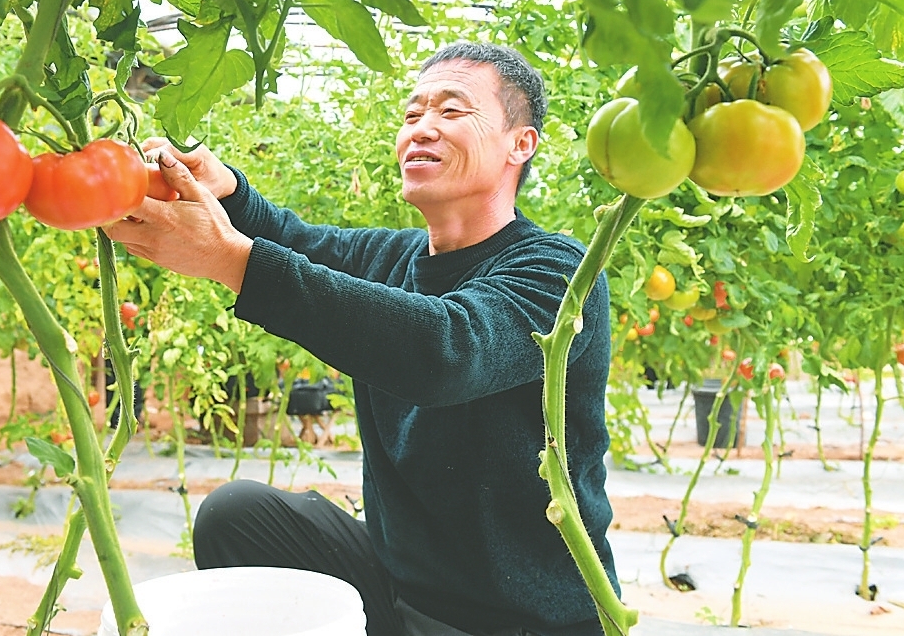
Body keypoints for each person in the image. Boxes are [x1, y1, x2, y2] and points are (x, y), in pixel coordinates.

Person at [104, 43, 619, 636]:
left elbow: (448, 351)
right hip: (405, 587)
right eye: (412, 114)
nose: (422, 128)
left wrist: (230, 260)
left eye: (452, 111)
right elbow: (295, 239)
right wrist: (228, 193)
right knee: (236, 516)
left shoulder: (558, 272)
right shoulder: (391, 256)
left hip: (520, 619)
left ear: (520, 144)